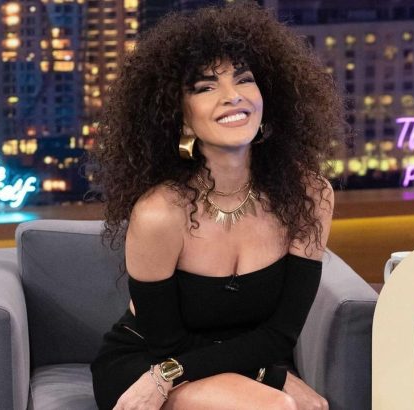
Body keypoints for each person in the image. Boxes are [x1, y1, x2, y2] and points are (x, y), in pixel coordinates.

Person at [90, 2, 346, 409]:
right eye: (205, 87)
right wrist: (274, 379)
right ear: (181, 118)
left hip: (224, 366)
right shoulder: (160, 213)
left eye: (244, 80)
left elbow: (281, 335)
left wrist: (268, 374)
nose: (232, 96)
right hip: (150, 366)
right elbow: (167, 343)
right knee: (276, 406)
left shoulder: (309, 197)